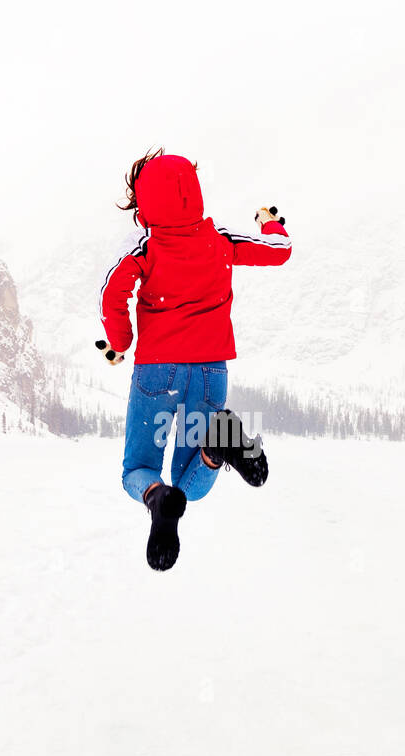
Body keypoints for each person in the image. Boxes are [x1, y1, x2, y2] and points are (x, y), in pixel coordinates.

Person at [95, 149, 292, 571]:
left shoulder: (145, 247)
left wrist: (122, 340)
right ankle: (218, 445)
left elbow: (113, 291)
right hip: (210, 370)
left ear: (144, 203)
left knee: (139, 469)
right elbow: (279, 250)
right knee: (195, 481)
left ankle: (156, 498)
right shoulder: (219, 239)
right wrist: (268, 220)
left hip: (157, 371)